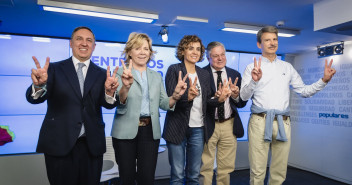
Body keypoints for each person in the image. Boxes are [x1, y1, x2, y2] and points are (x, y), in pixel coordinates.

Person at [240, 26, 336, 185]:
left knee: (279, 172)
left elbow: (305, 91)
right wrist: (254, 80)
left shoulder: (287, 68)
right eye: (267, 40)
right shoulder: (251, 68)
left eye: (275, 39)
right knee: (258, 171)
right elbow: (243, 96)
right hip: (259, 121)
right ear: (259, 44)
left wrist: (324, 80)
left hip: (283, 122)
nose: (272, 43)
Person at [26, 26, 120, 185]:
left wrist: (110, 93)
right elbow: (34, 99)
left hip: (91, 145)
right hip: (59, 144)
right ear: (71, 43)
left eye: (89, 40)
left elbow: (109, 105)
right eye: (79, 39)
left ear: (94, 46)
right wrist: (39, 86)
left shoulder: (102, 74)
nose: (84, 43)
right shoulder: (54, 69)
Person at [110, 32, 188, 185]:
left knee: (147, 178)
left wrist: (176, 95)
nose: (142, 52)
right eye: (138, 48)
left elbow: (164, 103)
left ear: (150, 53)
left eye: (146, 49)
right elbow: (118, 101)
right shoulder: (120, 72)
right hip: (125, 131)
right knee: (127, 177)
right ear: (129, 51)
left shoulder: (156, 76)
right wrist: (125, 87)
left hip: (150, 131)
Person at [163, 35, 231, 185]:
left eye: (198, 49)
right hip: (177, 127)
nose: (195, 52)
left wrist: (219, 100)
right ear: (183, 50)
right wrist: (188, 97)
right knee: (178, 176)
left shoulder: (204, 74)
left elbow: (207, 102)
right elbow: (170, 101)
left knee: (194, 175)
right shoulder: (174, 70)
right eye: (190, 48)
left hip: (198, 129)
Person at [200, 41, 247, 185]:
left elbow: (241, 103)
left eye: (222, 55)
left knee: (226, 167)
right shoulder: (202, 74)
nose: (220, 58)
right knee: (205, 166)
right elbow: (200, 104)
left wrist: (235, 95)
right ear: (208, 58)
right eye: (215, 56)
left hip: (229, 124)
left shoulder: (235, 74)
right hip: (208, 124)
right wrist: (216, 98)